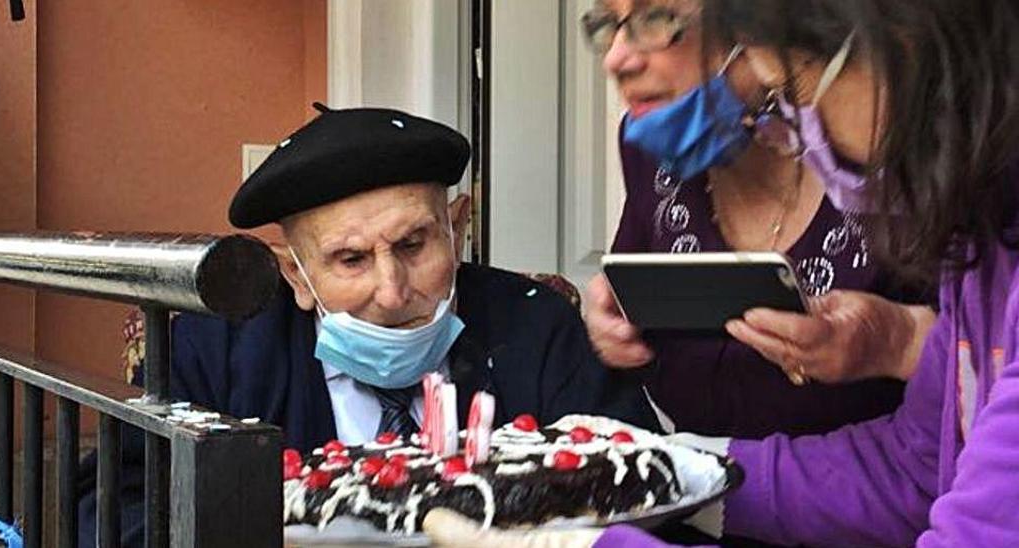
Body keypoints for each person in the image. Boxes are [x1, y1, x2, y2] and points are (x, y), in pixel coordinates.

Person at [425, 0, 1019, 545]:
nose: (801, 130)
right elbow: (913, 469)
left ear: (908, 39)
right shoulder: (984, 250)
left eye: (791, 88)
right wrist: (673, 475)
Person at [77, 105, 651, 546]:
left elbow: (644, 481)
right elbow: (107, 509)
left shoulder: (535, 322)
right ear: (295, 276)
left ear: (457, 227)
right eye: (351, 259)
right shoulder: (215, 348)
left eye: (414, 244)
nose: (393, 290)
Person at [581, 0, 937, 439]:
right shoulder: (650, 146)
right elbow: (628, 311)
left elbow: (984, 369)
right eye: (607, 26)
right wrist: (608, 322)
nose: (616, 58)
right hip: (705, 495)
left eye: (657, 19)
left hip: (900, 500)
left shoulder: (901, 146)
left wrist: (898, 342)